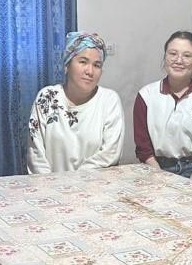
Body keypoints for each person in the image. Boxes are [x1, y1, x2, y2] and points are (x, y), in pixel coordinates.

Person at [26, 31, 124, 174]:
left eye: (97, 65)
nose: (90, 71)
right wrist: (52, 184)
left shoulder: (109, 101)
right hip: (49, 185)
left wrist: (76, 182)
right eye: (83, 62)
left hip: (95, 184)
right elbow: (36, 156)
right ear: (67, 65)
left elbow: (110, 154)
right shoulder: (47, 98)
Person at [133, 30, 192, 182]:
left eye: (187, 55)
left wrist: (191, 182)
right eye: (173, 54)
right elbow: (143, 147)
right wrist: (161, 178)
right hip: (155, 169)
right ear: (165, 57)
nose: (179, 60)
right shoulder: (146, 95)